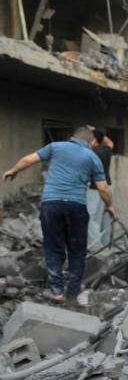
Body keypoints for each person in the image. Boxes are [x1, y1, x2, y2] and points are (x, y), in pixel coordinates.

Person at [2, 126, 116, 302]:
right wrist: (109, 206)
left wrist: (13, 170)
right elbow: (103, 189)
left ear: (72, 138)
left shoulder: (55, 147)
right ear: (90, 141)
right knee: (77, 251)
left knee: (53, 248)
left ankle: (57, 292)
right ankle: (72, 293)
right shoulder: (93, 157)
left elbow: (28, 159)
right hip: (76, 206)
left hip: (51, 205)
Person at [86, 129, 114, 250]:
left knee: (91, 218)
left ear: (93, 140)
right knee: (105, 218)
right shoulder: (107, 150)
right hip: (108, 187)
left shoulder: (90, 152)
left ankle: (96, 247)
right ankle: (106, 245)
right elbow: (110, 142)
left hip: (95, 190)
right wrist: (96, 131)